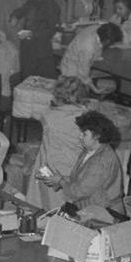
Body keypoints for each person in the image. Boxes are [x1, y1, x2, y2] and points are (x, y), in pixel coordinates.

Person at [41, 110, 123, 211]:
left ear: (97, 136)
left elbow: (79, 192)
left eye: (84, 134)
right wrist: (58, 178)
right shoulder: (89, 151)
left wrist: (61, 181)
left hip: (104, 212)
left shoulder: (101, 161)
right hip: (88, 207)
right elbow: (79, 179)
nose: (80, 137)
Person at [31, 76, 93, 207]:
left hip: (48, 165)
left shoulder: (48, 115)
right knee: (69, 205)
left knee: (44, 201)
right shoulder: (86, 117)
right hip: (73, 166)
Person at [13, 0, 61, 82]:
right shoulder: (33, 1)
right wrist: (15, 15)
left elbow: (51, 30)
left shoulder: (52, 6)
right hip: (28, 47)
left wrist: (31, 33)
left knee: (41, 82)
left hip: (41, 50)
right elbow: (22, 9)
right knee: (27, 79)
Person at [59, 22, 122, 89]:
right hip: (72, 73)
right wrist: (96, 90)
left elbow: (98, 47)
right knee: (111, 84)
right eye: (112, 43)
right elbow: (84, 76)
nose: (112, 45)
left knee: (110, 75)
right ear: (107, 41)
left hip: (79, 63)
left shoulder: (99, 29)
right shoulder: (88, 47)